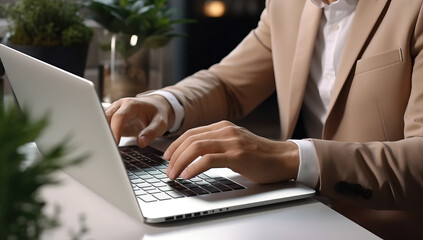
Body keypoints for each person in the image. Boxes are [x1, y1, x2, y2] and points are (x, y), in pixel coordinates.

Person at [106, 0, 423, 238]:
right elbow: (229, 83)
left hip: (383, 227)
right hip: (296, 216)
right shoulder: (288, 3)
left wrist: (286, 157)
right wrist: (164, 103)